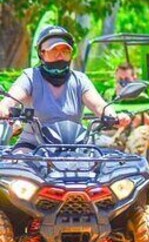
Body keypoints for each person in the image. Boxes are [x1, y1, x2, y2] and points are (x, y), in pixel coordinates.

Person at [0, 26, 129, 150]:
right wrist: (4, 107)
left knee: (104, 167)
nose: (60, 55)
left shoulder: (79, 80)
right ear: (41, 53)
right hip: (34, 146)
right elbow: (12, 99)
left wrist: (114, 117)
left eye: (65, 51)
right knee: (16, 166)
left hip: (74, 146)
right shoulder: (30, 77)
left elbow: (99, 106)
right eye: (54, 50)